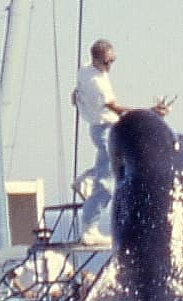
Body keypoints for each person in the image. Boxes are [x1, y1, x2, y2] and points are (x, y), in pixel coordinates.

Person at [71, 38, 170, 247]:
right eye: (107, 62)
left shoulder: (85, 71)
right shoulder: (97, 83)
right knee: (107, 183)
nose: (110, 66)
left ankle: (87, 180)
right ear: (96, 59)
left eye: (112, 60)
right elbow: (116, 109)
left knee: (114, 168)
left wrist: (81, 101)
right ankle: (89, 229)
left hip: (99, 127)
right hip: (105, 129)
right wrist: (149, 112)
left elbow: (75, 94)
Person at [10, 225, 72, 301]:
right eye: (41, 239)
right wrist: (24, 291)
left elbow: (71, 273)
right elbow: (12, 275)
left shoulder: (58, 257)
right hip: (34, 299)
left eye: (46, 239)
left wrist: (62, 289)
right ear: (36, 240)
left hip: (55, 297)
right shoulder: (28, 259)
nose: (44, 242)